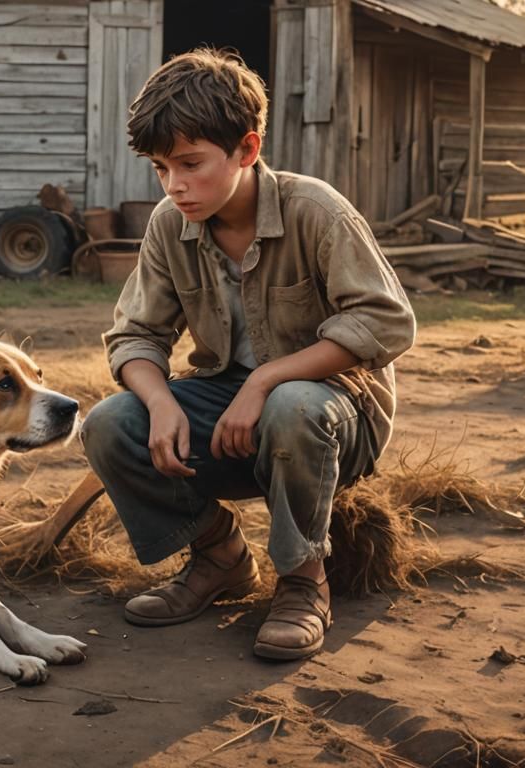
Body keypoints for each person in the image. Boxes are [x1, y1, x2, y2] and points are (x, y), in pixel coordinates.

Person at [79, 48, 415, 660]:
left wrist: (263, 382)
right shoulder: (168, 225)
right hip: (228, 411)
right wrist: (158, 401)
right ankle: (220, 557)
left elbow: (386, 321)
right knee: (109, 424)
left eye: (190, 163)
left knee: (290, 404)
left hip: (335, 416)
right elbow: (133, 337)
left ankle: (304, 581)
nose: (175, 184)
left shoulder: (315, 211)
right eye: (160, 168)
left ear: (247, 149)